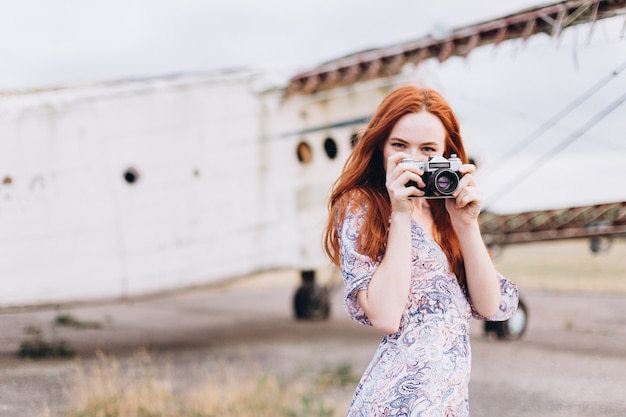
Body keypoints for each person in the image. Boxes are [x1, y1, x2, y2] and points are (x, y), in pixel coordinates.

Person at [323, 84, 519, 416]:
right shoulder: (362, 205)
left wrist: (467, 225)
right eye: (400, 145)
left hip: (447, 404)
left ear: (448, 154)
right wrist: (400, 213)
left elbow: (489, 305)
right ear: (380, 147)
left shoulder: (446, 210)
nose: (414, 160)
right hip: (395, 404)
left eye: (428, 149)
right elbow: (385, 316)